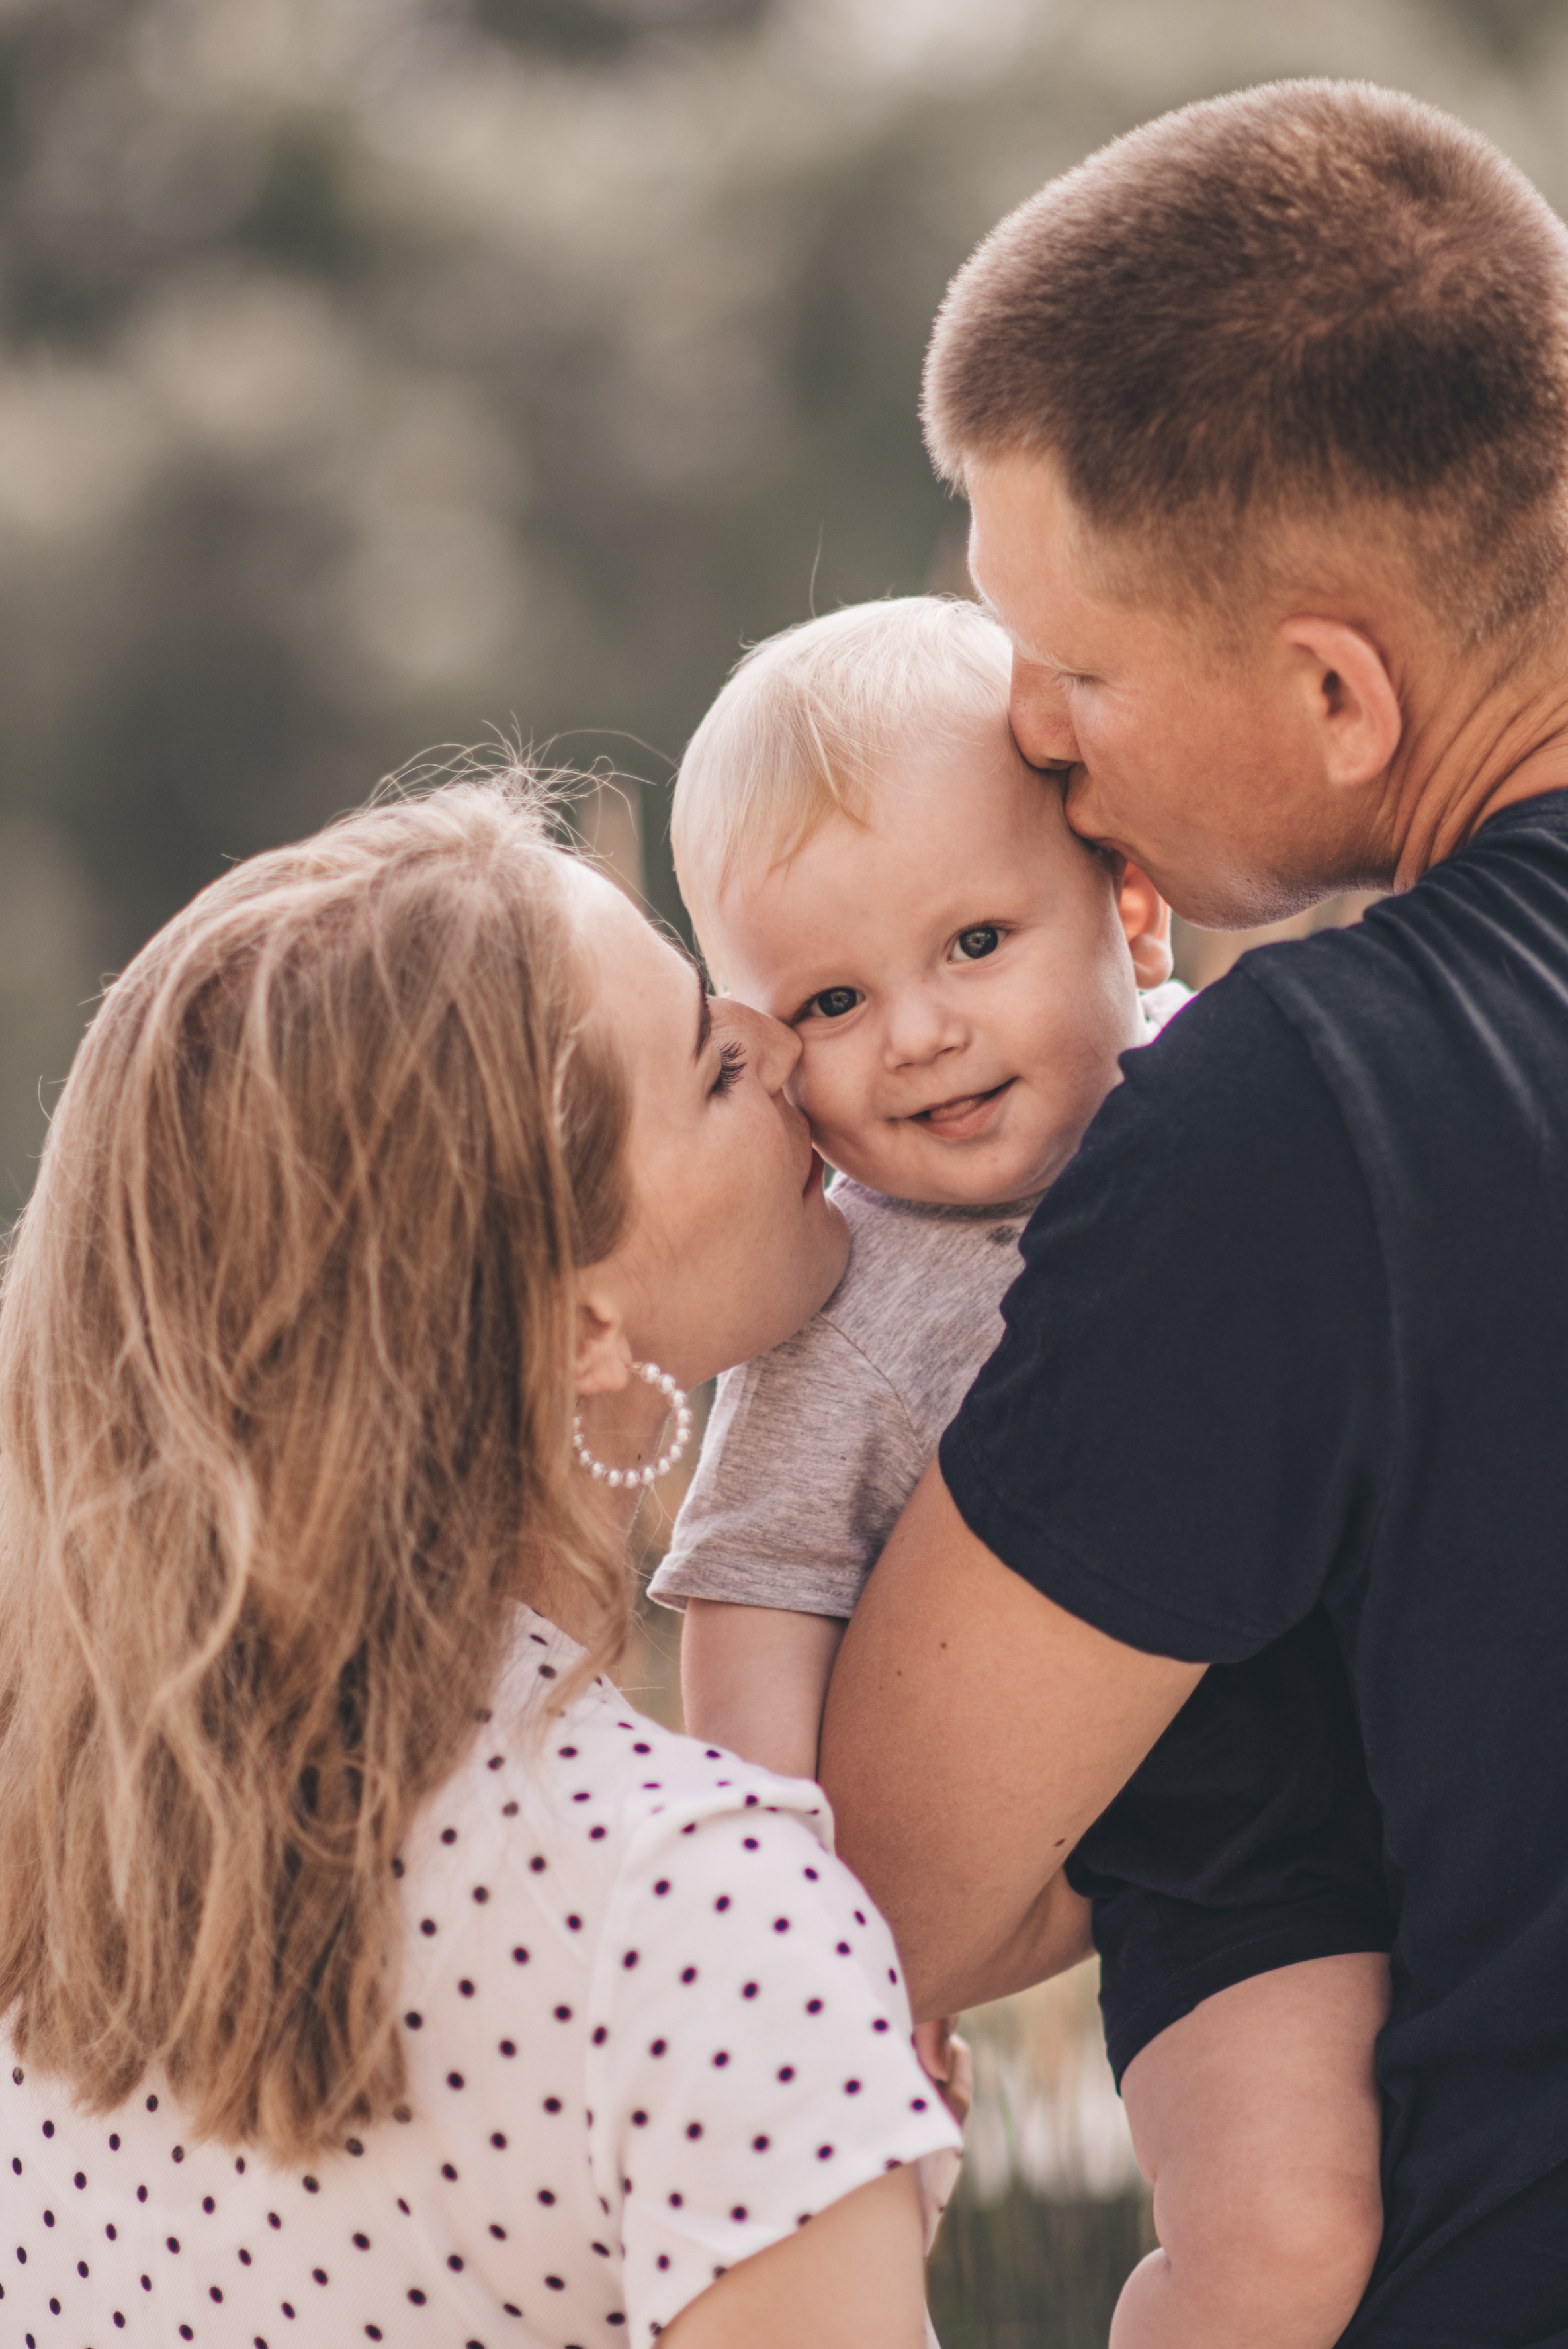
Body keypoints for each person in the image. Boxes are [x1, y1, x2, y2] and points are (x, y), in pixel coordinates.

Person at [821, 77, 1568, 2347]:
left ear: (1340, 689)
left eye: (1078, 668)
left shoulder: (1314, 1113)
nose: (1034, 737)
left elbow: (895, 1893)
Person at [0, 777, 963, 2349]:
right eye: (716, 1067)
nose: (783, 1044)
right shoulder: (696, 1914)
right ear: (583, 1320)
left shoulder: (56, 1860)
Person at [645, 590, 1392, 2349]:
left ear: (1128, 905)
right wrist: (823, 1977)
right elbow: (752, 1630)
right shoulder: (834, 1305)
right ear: (763, 1052)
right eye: (833, 995)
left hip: (1433, 1729)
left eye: (974, 940)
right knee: (1288, 2244)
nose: (916, 1028)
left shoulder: (1250, 1089)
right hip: (1222, 1855)